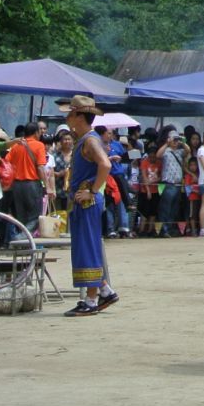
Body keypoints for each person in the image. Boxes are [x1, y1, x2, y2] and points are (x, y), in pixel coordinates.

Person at [56, 96, 121, 316]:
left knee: (88, 247)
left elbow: (105, 164)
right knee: (86, 247)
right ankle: (103, 289)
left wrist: (92, 190)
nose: (67, 117)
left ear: (79, 117)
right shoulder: (84, 139)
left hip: (88, 202)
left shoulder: (90, 140)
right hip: (83, 202)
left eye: (71, 113)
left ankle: (92, 300)